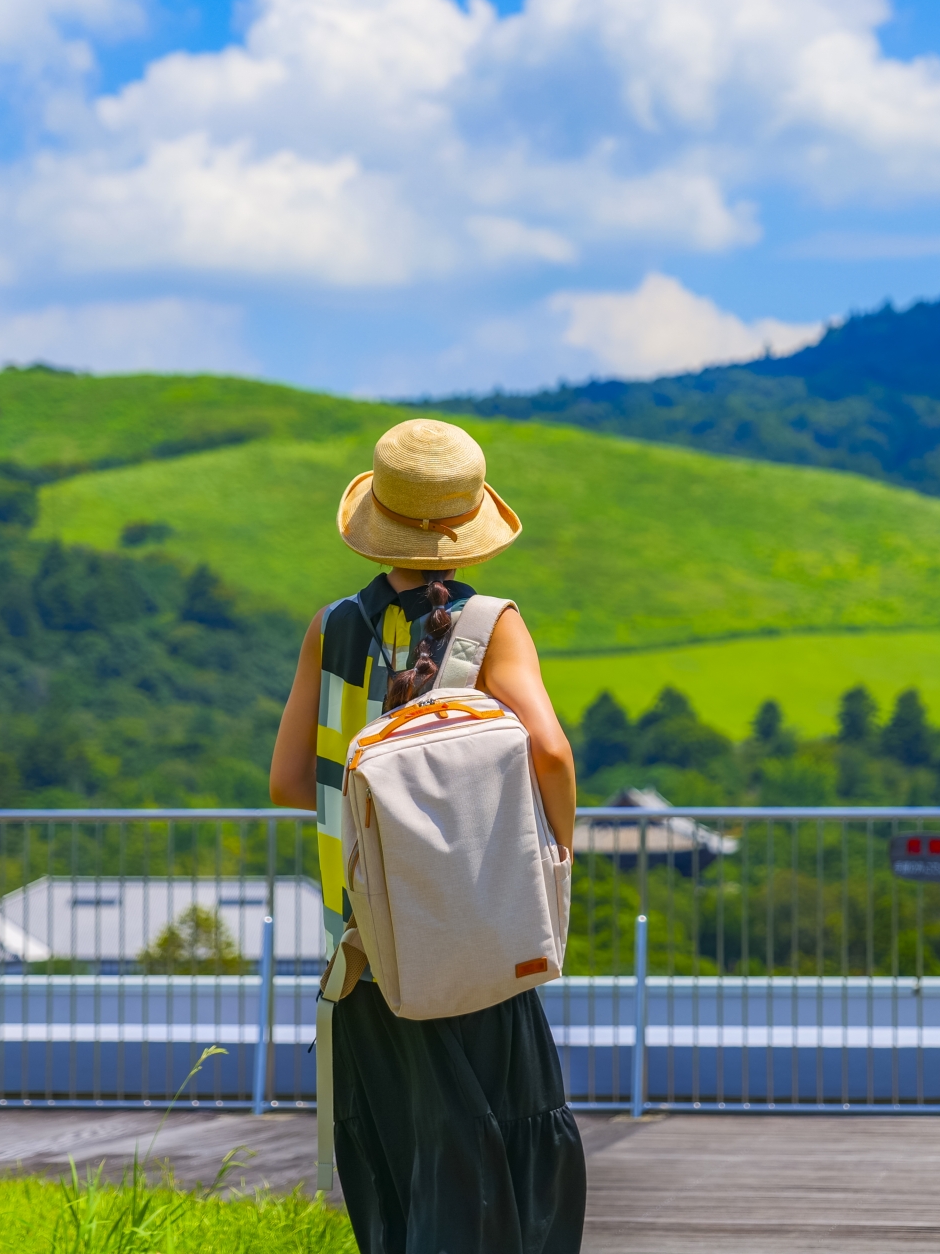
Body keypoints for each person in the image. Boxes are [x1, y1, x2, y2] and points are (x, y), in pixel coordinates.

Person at [269, 417, 585, 1254]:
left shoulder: (331, 627)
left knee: (403, 1168)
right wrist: (559, 853)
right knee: (501, 1169)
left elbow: (287, 782)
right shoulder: (491, 625)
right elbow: (549, 751)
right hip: (473, 938)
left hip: (369, 950)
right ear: (468, 527)